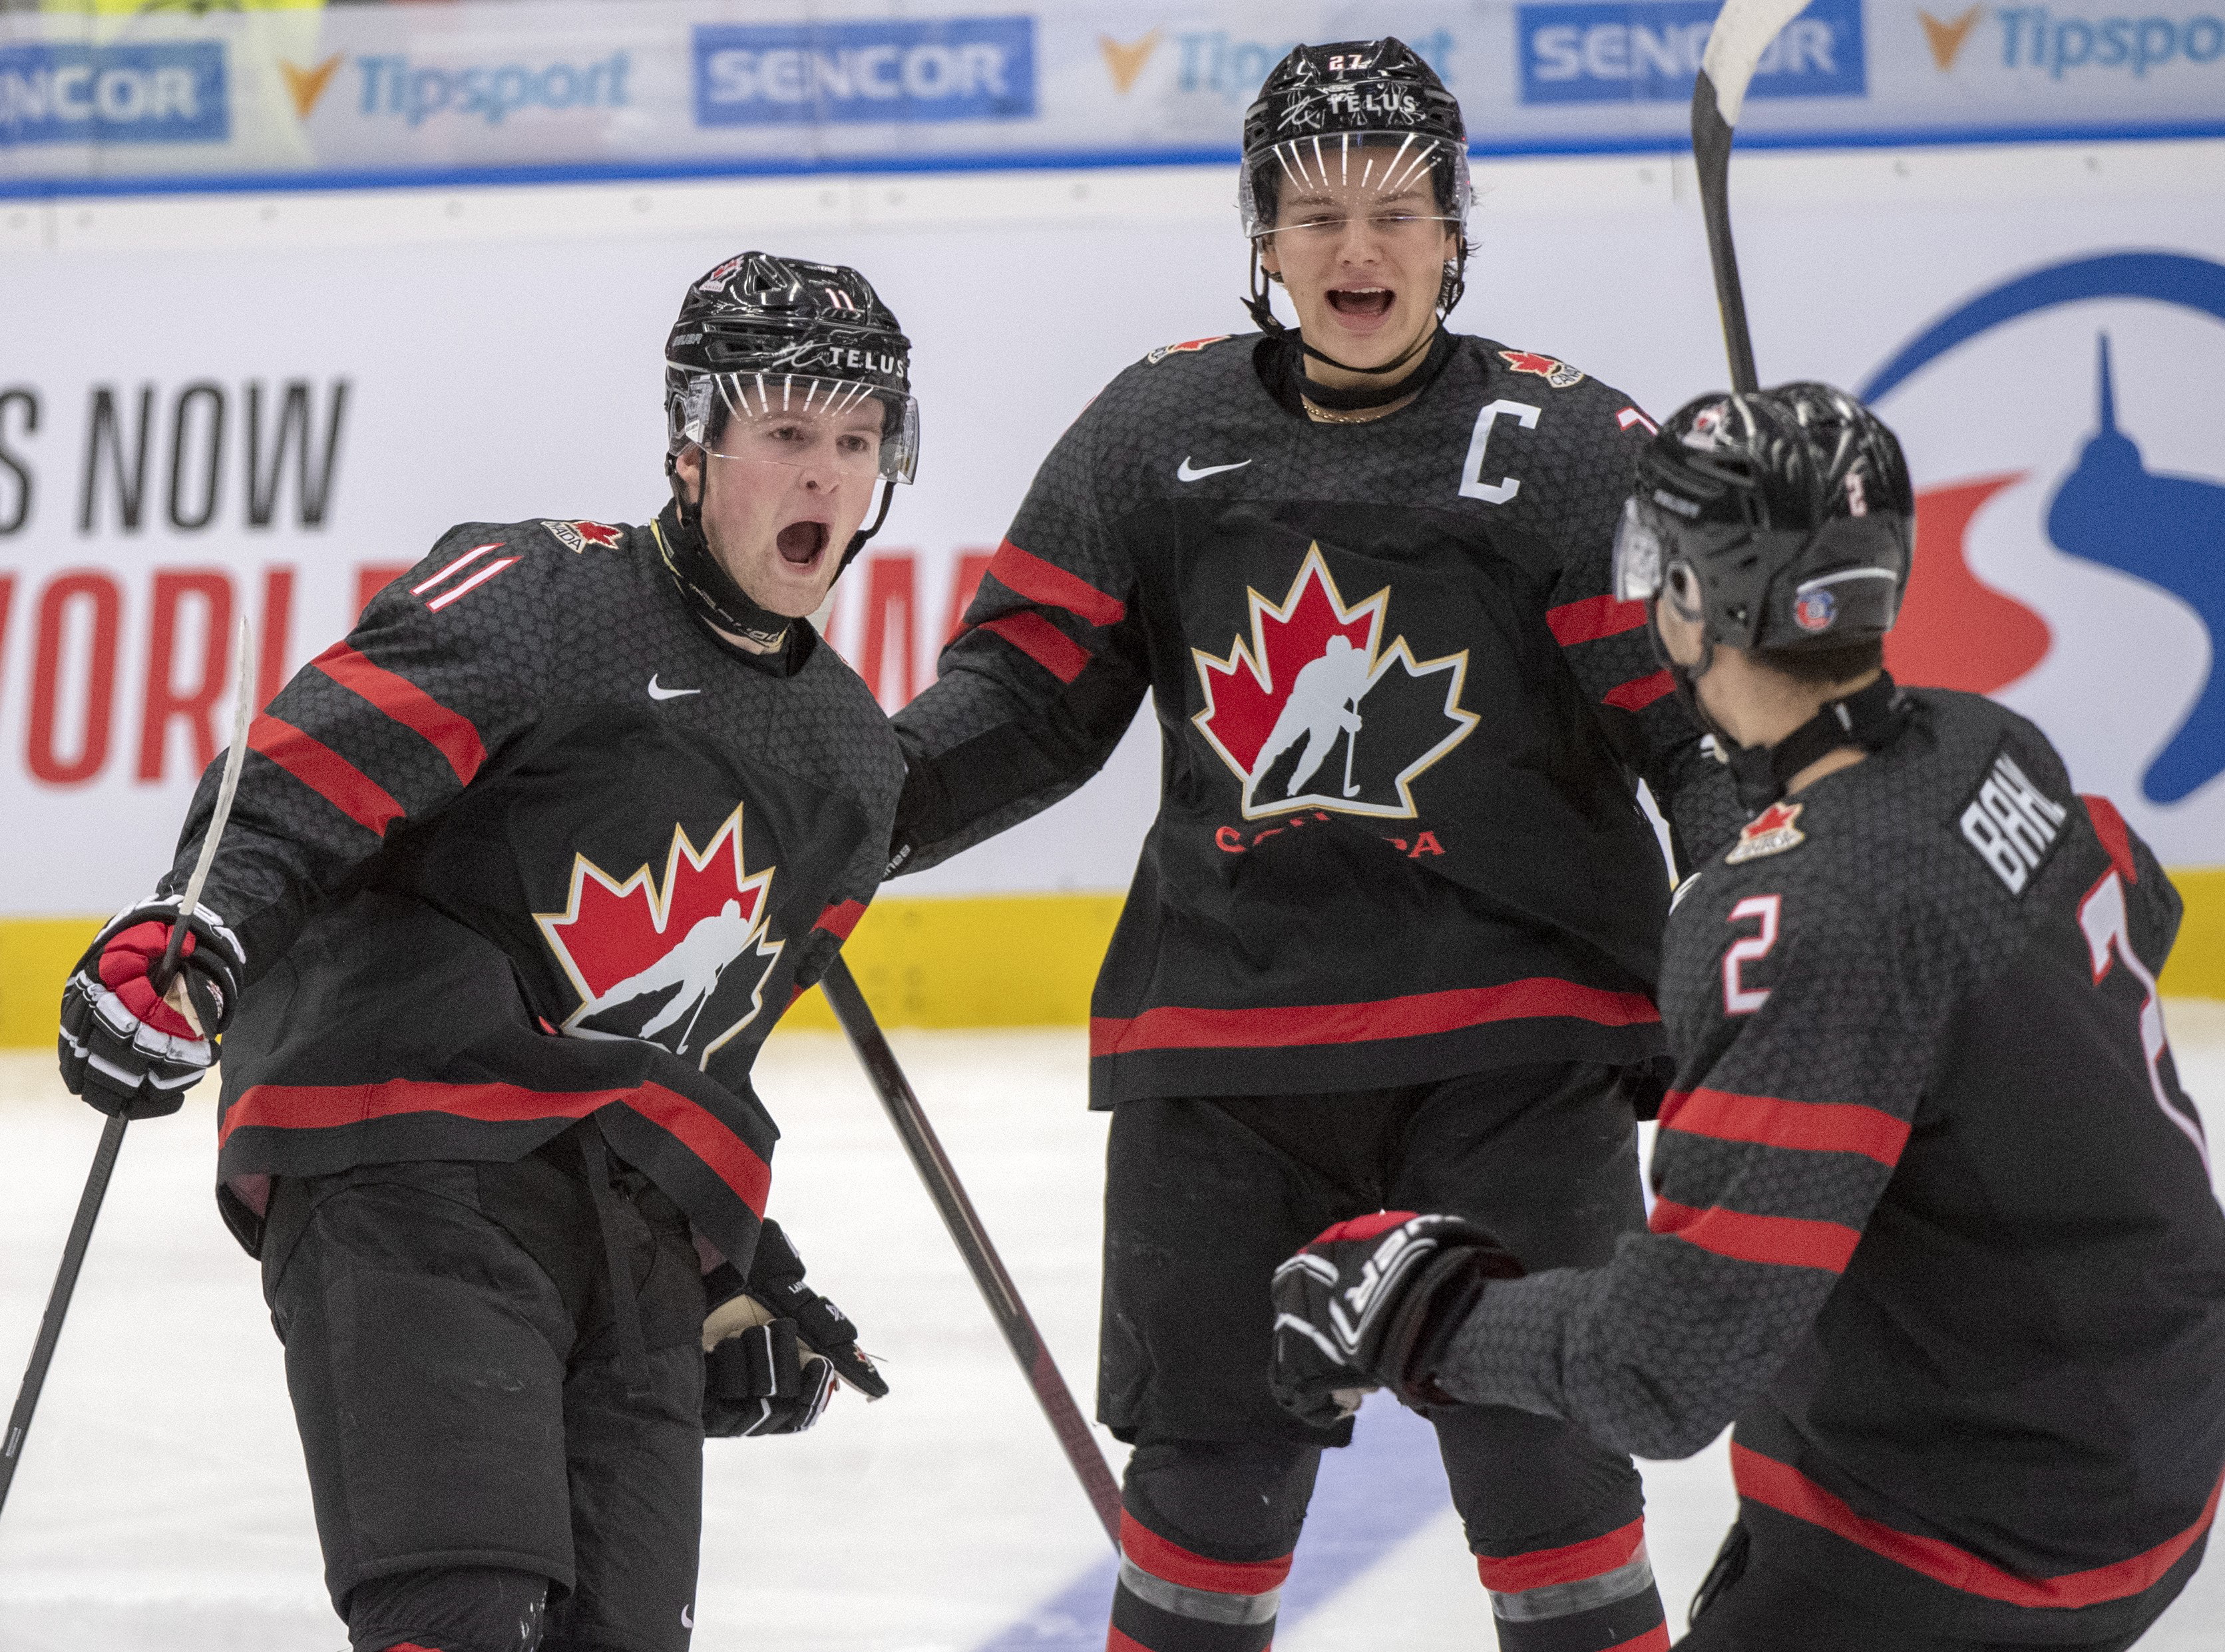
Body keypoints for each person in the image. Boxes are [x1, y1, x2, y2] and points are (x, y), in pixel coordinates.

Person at [889, 38, 1739, 1652]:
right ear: (1262, 238)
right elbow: (1020, 689)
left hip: (1512, 1051)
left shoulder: (1560, 446)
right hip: (1225, 1054)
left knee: (1553, 1485)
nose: (1359, 249)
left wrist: (1759, 881)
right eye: (1317, 213)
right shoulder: (1158, 429)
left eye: (1398, 214)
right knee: (1203, 1504)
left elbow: (1687, 725)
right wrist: (842, 809)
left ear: (1454, 232)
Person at [1267, 384, 2225, 1651]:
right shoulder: (1992, 743)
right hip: (2158, 1444)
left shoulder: (1796, 914)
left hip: (1969, 1543)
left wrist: (1415, 1314)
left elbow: (1664, 1368)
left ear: (1693, 602)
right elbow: (2132, 911)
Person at [57, 252, 921, 1652]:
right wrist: (194, 939)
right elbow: (301, 776)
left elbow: (694, 1044)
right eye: (785, 435)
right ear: (692, 446)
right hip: (408, 1148)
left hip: (621, 1222)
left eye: (855, 442)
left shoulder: (849, 759)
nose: (825, 477)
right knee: (463, 1613)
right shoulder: (545, 592)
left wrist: (729, 1254)